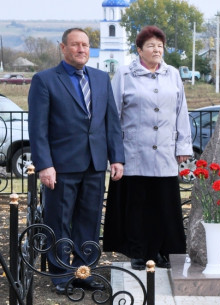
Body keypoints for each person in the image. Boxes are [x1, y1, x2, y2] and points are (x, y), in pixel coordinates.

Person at [28, 28, 125, 294]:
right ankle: (61, 275)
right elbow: (38, 128)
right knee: (58, 220)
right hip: (60, 167)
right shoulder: (45, 80)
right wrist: (44, 164)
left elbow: (111, 123)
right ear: (63, 47)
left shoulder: (101, 78)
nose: (81, 49)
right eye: (75, 45)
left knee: (90, 220)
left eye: (85, 45)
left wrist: (116, 157)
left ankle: (84, 272)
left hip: (95, 165)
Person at [102, 25, 193, 271]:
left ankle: (162, 252)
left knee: (163, 205)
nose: (156, 50)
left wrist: (183, 144)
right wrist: (114, 154)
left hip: (164, 151)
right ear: (139, 50)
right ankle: (138, 252)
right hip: (134, 151)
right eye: (151, 46)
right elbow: (113, 115)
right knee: (137, 205)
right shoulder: (125, 74)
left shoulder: (172, 73)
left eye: (160, 46)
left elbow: (180, 111)